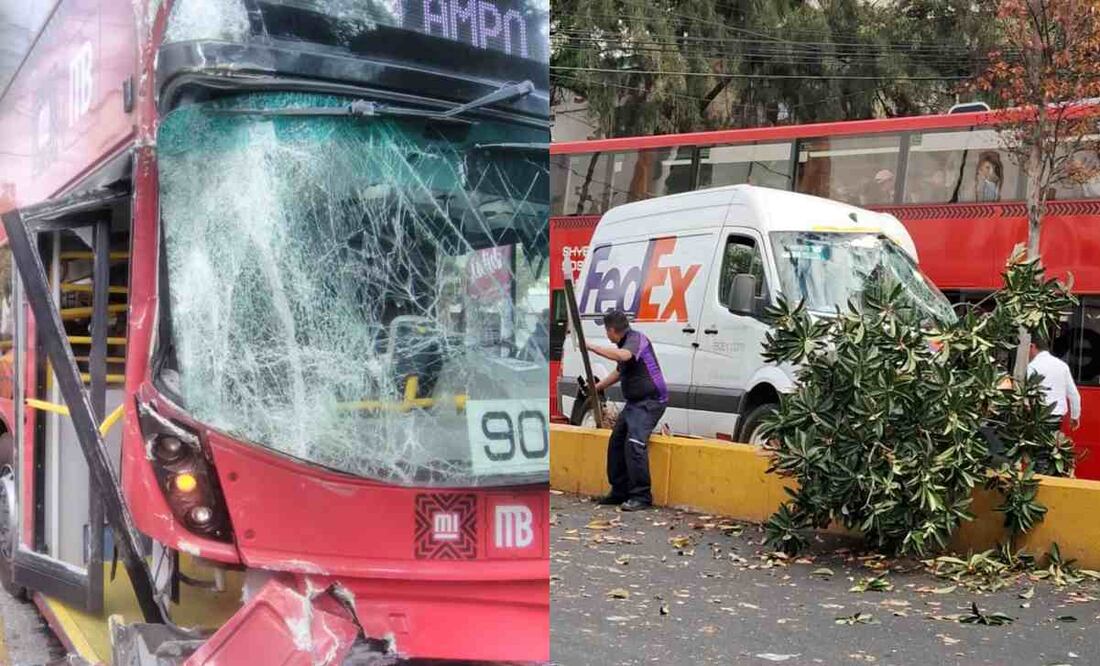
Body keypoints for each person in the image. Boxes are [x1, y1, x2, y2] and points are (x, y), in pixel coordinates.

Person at [584, 309, 668, 511]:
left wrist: (592, 347)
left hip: (651, 402)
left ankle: (641, 496)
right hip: (634, 403)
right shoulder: (625, 343)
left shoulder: (636, 340)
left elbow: (624, 356)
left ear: (611, 330)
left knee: (634, 442)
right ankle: (619, 491)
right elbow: (619, 372)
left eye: (606, 331)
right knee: (616, 443)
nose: (606, 335)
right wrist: (597, 388)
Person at [1027, 336, 1081, 432]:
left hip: (1036, 416)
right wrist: (1075, 416)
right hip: (1056, 418)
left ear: (1032, 346)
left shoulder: (1031, 367)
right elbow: (1074, 394)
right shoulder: (1062, 365)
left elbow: (1028, 393)